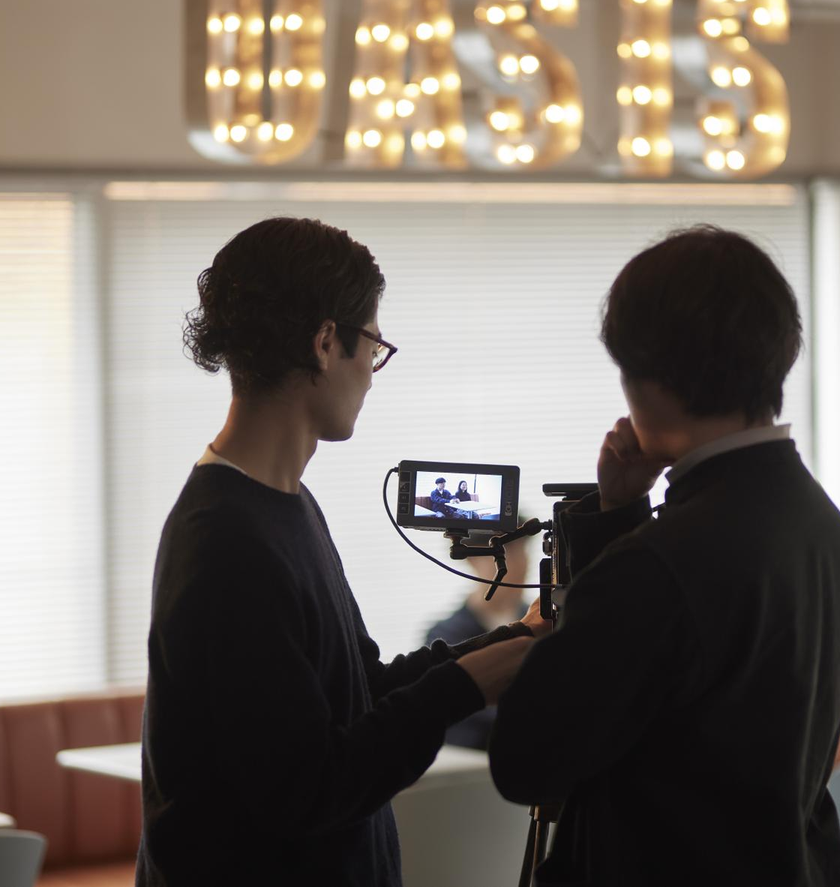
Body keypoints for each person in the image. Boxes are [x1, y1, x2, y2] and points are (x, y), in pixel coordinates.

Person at [136, 217, 541, 887]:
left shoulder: (284, 502)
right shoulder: (227, 543)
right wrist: (469, 685)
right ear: (326, 343)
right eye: (373, 346)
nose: (373, 377)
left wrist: (509, 643)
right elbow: (309, 788)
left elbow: (358, 689)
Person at [490, 225, 840, 887]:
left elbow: (527, 763)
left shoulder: (661, 563)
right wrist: (618, 515)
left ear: (654, 380)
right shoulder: (818, 520)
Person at [423, 519, 536, 750]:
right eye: (505, 553)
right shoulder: (444, 636)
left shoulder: (542, 621)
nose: (519, 564)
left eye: (522, 551)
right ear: (472, 559)